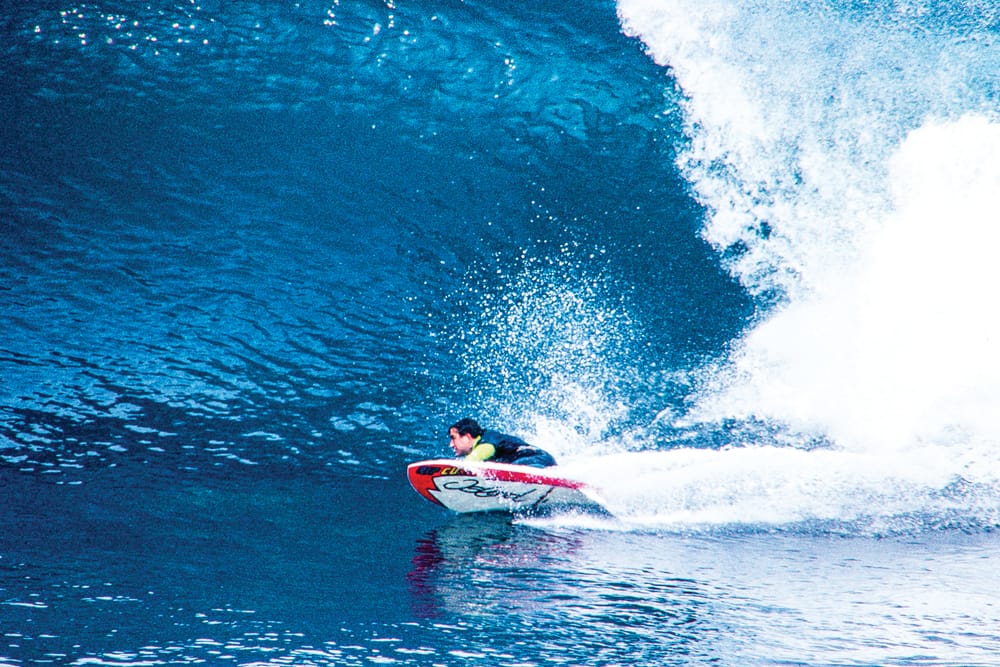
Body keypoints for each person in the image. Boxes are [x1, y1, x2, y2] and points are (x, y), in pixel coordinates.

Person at [447, 417, 557, 468]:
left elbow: (482, 452)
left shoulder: (487, 441)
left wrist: (458, 469)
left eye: (453, 438)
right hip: (537, 461)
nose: (451, 444)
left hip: (538, 459)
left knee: (513, 468)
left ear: (467, 437)